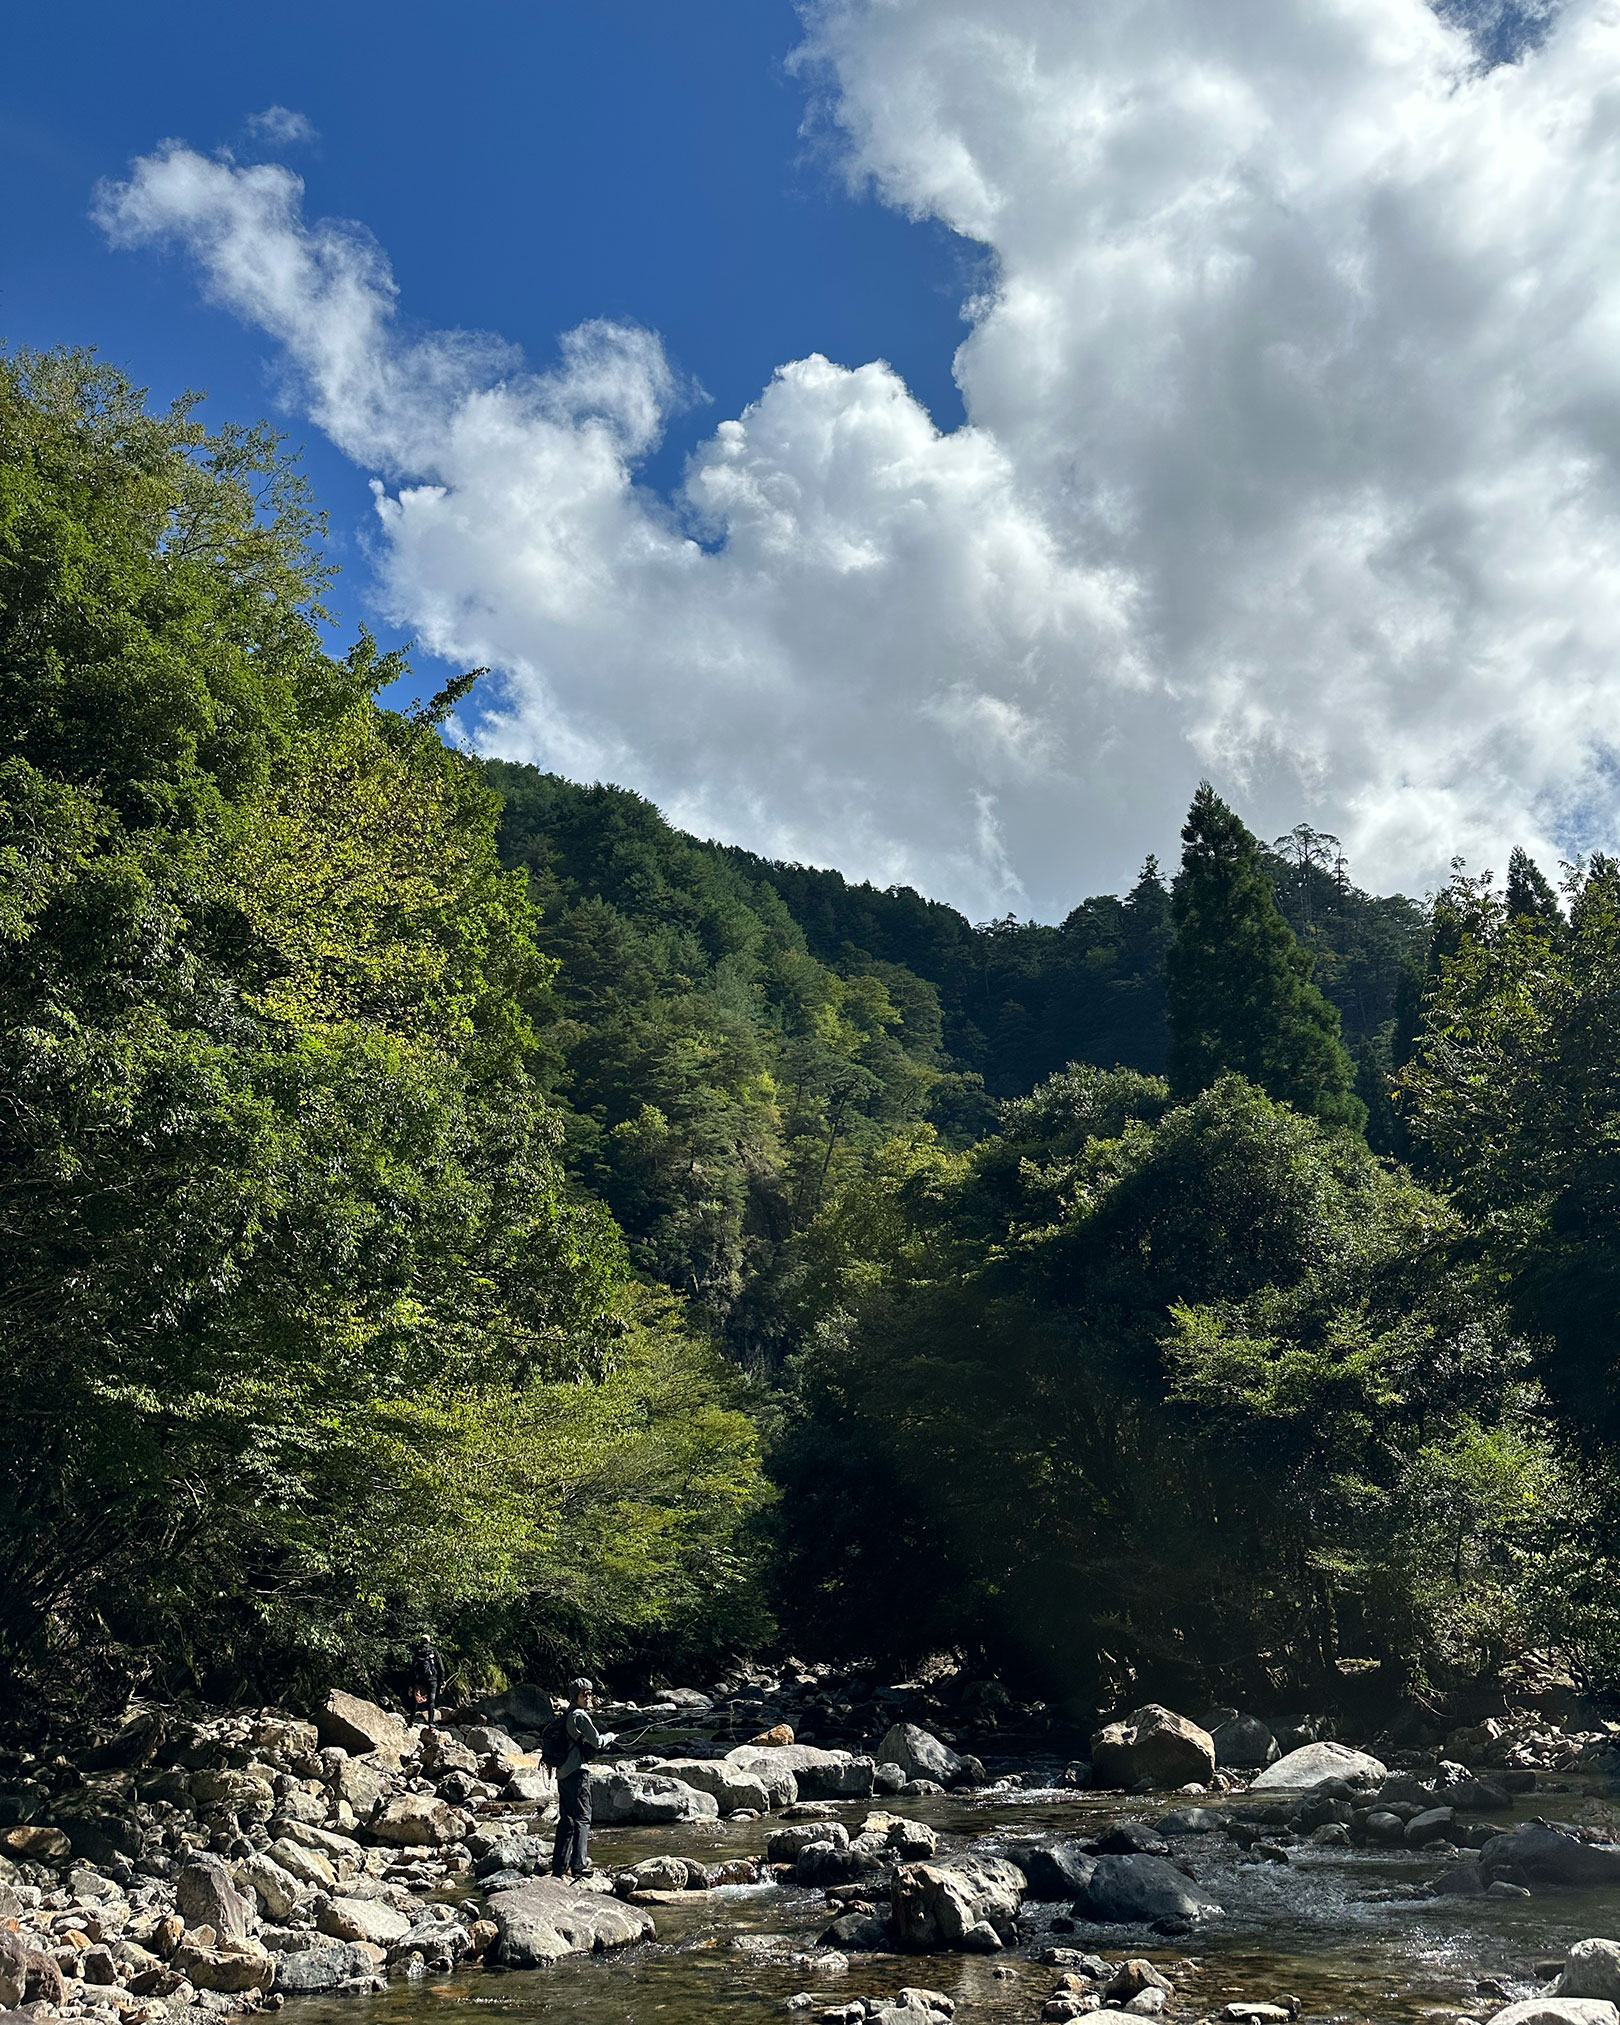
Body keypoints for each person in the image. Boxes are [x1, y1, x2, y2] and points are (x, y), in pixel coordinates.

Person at [551, 1677, 614, 1880]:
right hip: (578, 1773)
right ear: (575, 1696)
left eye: (589, 1693)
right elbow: (596, 1741)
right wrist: (611, 1737)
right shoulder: (580, 1716)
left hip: (563, 1774)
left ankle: (559, 1867)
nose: (588, 1697)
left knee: (566, 1820)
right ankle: (578, 1864)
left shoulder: (566, 1715)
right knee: (583, 1818)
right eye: (583, 1694)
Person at [408, 1637, 446, 1726]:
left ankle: (411, 1722)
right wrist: (442, 1680)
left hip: (419, 1680)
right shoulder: (434, 1651)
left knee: (415, 1700)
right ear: (429, 1641)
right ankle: (430, 1723)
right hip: (432, 1680)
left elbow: (412, 1668)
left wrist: (411, 1683)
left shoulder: (417, 1651)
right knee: (431, 1701)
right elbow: (441, 1667)